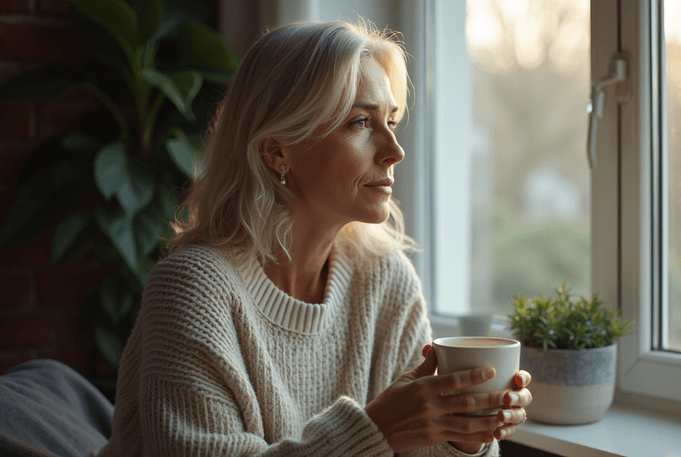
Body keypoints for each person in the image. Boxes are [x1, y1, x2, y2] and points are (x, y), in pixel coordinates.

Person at [97, 20, 532, 457]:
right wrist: (378, 431)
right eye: (361, 121)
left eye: (392, 120)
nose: (395, 150)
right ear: (277, 151)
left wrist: (462, 438)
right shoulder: (194, 289)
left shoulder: (383, 279)